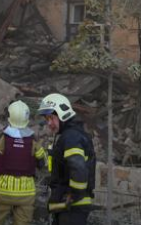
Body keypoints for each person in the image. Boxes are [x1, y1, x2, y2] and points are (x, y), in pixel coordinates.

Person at [37, 93, 95, 225]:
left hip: (72, 207)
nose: (49, 123)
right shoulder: (71, 135)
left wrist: (72, 196)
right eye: (47, 119)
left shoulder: (71, 137)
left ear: (63, 114)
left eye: (51, 118)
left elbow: (78, 167)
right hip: (69, 207)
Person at [0, 101, 47, 225]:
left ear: (10, 118)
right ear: (27, 118)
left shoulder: (2, 137)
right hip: (26, 192)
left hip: (3, 191)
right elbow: (42, 162)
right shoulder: (33, 140)